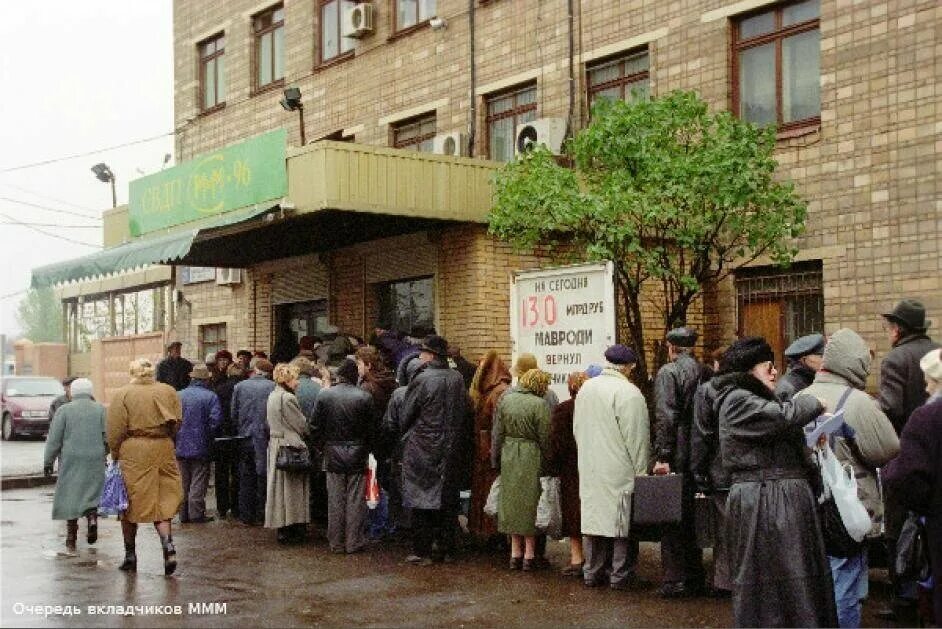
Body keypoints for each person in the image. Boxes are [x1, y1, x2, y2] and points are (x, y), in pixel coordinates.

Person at [712, 336, 837, 627]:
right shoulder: (737, 399)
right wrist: (813, 401)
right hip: (767, 500)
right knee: (779, 586)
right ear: (748, 370)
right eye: (768, 366)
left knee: (789, 585)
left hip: (772, 497)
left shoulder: (746, 398)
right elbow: (784, 416)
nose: (774, 372)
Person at [797, 328, 900, 628]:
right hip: (848, 509)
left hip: (810, 506)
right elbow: (888, 448)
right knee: (847, 586)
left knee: (820, 584)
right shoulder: (857, 402)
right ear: (854, 364)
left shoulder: (801, 397)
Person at [878, 299, 939, 620]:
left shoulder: (895, 360)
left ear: (898, 329)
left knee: (899, 528)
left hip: (905, 453)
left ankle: (904, 599)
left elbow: (889, 409)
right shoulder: (937, 352)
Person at [574, 344, 649, 590]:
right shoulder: (629, 393)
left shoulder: (586, 388)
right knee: (620, 522)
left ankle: (591, 571)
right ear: (628, 367)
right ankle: (620, 574)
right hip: (619, 468)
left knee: (594, 520)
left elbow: (577, 429)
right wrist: (641, 472)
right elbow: (637, 438)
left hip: (590, 464)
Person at [106, 358, 184, 576]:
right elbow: (177, 422)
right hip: (163, 448)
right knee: (162, 500)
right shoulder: (168, 391)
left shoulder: (123, 394)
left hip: (134, 451)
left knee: (129, 503)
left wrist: (114, 454)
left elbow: (115, 430)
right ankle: (168, 545)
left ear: (132, 372)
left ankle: (130, 555)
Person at [398, 335, 471, 565]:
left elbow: (406, 415)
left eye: (423, 352)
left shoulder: (422, 379)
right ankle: (448, 548)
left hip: (424, 445)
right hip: (452, 445)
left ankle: (423, 551)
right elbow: (466, 410)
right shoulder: (457, 378)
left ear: (431, 355)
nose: (420, 356)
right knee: (447, 499)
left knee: (422, 499)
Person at [652, 327, 708, 598]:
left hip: (678, 450)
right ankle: (695, 575)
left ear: (671, 347)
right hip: (701, 448)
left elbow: (666, 415)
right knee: (692, 517)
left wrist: (663, 455)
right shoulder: (704, 371)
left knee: (671, 517)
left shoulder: (668, 373)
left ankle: (675, 579)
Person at [310, 358, 375, 553]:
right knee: (355, 500)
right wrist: (367, 448)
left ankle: (336, 542)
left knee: (335, 499)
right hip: (357, 453)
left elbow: (314, 427)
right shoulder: (364, 397)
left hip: (332, 453)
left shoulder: (325, 396)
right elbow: (372, 429)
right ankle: (353, 541)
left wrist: (322, 447)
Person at [492, 368, 552, 571]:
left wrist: (496, 460)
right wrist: (548, 463)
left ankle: (514, 554)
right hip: (531, 455)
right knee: (530, 504)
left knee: (511, 504)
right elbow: (545, 437)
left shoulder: (505, 400)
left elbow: (497, 433)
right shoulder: (540, 404)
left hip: (509, 453)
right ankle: (529, 555)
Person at [43, 378, 106, 553]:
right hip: (95, 456)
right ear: (90, 391)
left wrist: (48, 462)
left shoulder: (63, 410)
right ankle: (92, 518)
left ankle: (71, 537)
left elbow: (54, 440)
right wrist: (104, 452)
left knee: (71, 495)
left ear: (73, 392)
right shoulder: (100, 409)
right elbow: (107, 435)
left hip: (71, 458)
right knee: (91, 492)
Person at [690, 345, 732, 597]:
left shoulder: (707, 391)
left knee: (723, 531)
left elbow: (701, 434)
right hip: (742, 469)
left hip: (718, 469)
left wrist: (699, 470)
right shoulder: (749, 387)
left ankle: (723, 581)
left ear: (717, 365)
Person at [467, 350, 512, 541]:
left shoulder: (497, 392)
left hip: (489, 450)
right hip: (485, 449)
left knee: (490, 491)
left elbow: (497, 425)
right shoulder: (493, 392)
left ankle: (492, 532)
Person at [265, 363, 312, 544]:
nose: (297, 382)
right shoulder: (288, 399)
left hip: (276, 444)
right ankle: (294, 526)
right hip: (291, 445)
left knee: (279, 490)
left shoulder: (273, 396)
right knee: (293, 491)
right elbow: (301, 425)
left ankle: (282, 526)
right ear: (287, 379)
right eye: (294, 378)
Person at [549, 371, 589, 577]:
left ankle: (576, 558)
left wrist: (553, 465)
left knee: (573, 511)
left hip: (569, 467)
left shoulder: (563, 409)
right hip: (591, 466)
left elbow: (556, 442)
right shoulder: (593, 409)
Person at [382, 355, 425, 535]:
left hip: (402, 448)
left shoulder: (399, 394)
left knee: (401, 486)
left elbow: (389, 425)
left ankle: (404, 524)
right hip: (426, 446)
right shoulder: (431, 390)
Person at [175, 364, 223, 524]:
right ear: (205, 380)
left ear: (192, 378)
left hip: (181, 444)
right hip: (202, 445)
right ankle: (196, 514)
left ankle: (183, 514)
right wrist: (207, 435)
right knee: (198, 480)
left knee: (183, 481)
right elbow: (215, 421)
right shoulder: (211, 396)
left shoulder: (178, 395)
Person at [233, 358, 275, 526]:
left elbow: (233, 413)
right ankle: (262, 513)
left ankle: (246, 515)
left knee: (246, 475)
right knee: (264, 475)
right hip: (265, 436)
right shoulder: (272, 387)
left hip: (245, 436)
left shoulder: (240, 387)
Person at [213, 363, 244, 520]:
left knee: (221, 472)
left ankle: (222, 507)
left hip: (221, 436)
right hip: (239, 435)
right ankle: (237, 506)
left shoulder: (219, 389)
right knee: (238, 471)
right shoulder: (243, 389)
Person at [776, 333, 826, 402]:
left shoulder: (814, 378)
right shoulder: (787, 388)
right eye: (820, 356)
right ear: (804, 359)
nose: (824, 360)